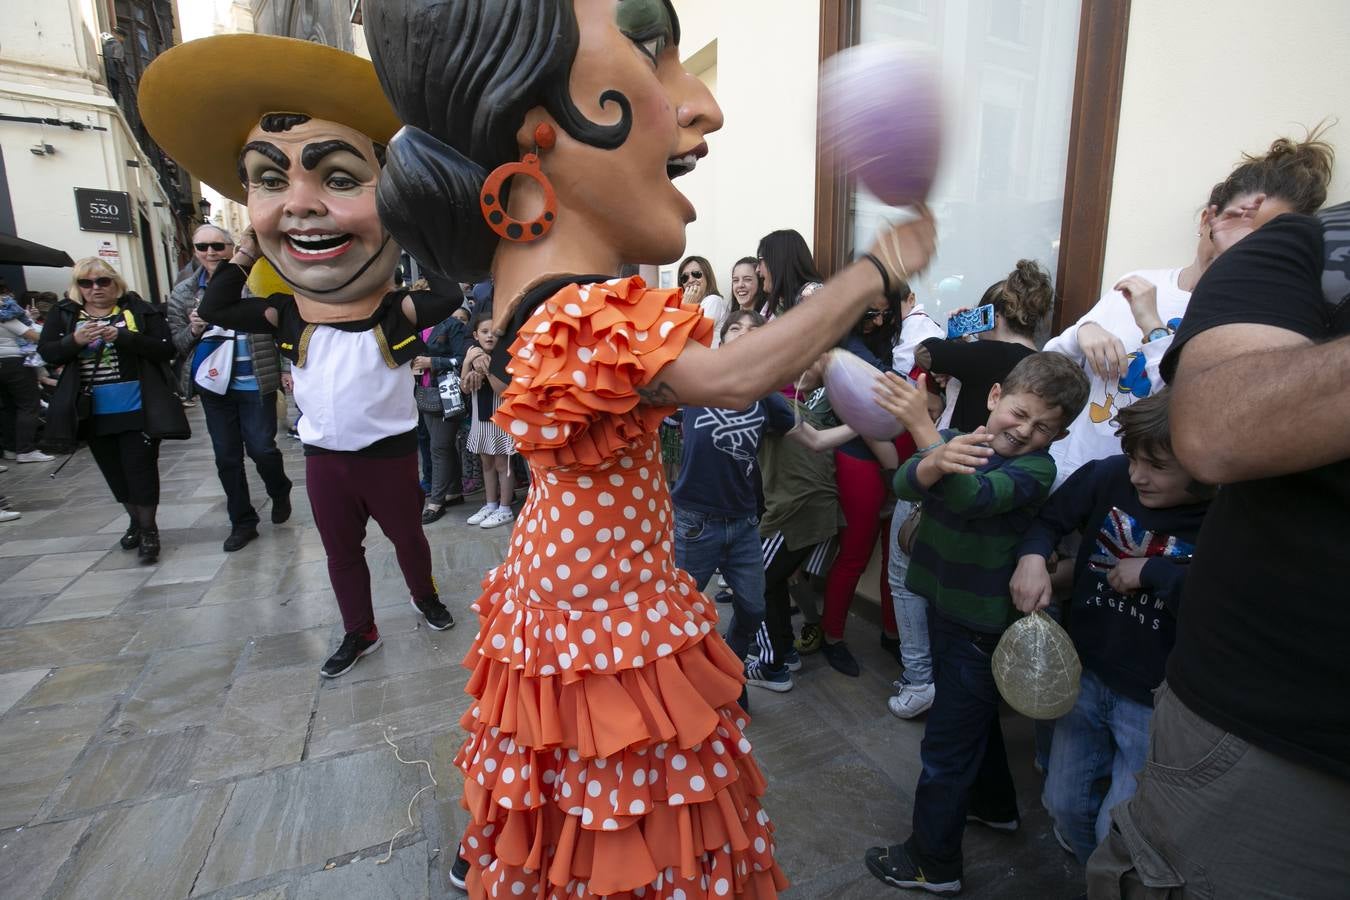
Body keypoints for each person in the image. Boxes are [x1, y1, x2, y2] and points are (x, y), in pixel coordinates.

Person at [364, 0, 935, 894]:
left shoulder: (540, 301)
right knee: (632, 785)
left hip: (564, 579)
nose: (700, 105)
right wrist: (873, 273)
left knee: (575, 768)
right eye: (649, 47)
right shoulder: (586, 308)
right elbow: (734, 375)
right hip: (601, 602)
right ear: (534, 126)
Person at [139, 33, 458, 679]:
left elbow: (449, 292)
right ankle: (358, 631)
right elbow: (222, 306)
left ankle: (424, 597)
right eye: (270, 181)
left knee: (407, 539)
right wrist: (250, 248)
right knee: (342, 555)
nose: (302, 204)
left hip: (390, 456)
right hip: (325, 460)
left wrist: (409, 222)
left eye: (339, 177)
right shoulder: (285, 313)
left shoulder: (394, 311)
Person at [1084, 193, 1350, 894]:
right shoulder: (1307, 249)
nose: (1239, 218)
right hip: (1280, 749)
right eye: (1232, 207)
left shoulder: (1191, 519)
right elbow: (1222, 428)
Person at [863, 352, 1089, 895]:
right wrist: (933, 453)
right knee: (974, 718)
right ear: (994, 397)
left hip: (979, 624)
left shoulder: (1038, 469)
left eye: (1045, 428)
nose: (1026, 431)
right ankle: (994, 806)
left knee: (947, 746)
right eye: (1019, 413)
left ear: (1057, 438)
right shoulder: (963, 437)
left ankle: (933, 862)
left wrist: (923, 431)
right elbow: (906, 487)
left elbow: (966, 497)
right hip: (948, 609)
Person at [1043, 133, 1334, 488]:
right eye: (1238, 224)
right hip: (1064, 471)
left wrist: (1153, 326)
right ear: (1207, 220)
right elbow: (1048, 367)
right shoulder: (1140, 282)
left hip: (1137, 497)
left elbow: (1198, 414)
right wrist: (1081, 332)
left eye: (1265, 239)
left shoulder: (1259, 324)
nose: (1242, 248)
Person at [1009, 389, 1211, 863]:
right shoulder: (1108, 476)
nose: (1137, 475)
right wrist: (1033, 557)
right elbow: (1049, 521)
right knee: (1062, 803)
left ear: (1205, 466)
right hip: (1086, 675)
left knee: (1115, 828)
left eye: (1158, 466)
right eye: (1133, 458)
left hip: (1153, 701)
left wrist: (1154, 572)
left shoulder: (1225, 520)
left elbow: (1223, 607)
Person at [674, 309, 857, 693]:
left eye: (754, 330)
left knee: (754, 608)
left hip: (744, 524)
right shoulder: (692, 382)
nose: (743, 334)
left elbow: (817, 441)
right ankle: (681, 684)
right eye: (735, 328)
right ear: (721, 340)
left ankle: (729, 671)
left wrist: (864, 422)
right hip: (694, 521)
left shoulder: (768, 400)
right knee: (680, 610)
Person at [39, 258, 189, 563]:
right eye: (86, 283)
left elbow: (165, 349)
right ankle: (135, 520)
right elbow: (47, 351)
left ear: (115, 283)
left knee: (141, 471)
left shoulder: (138, 309)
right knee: (115, 474)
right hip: (93, 411)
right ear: (78, 287)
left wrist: (123, 337)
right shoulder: (65, 314)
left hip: (138, 407)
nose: (95, 289)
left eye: (102, 282)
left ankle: (149, 530)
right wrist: (75, 340)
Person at [169, 223, 294, 551]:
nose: (210, 252)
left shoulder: (255, 282)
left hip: (255, 379)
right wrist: (195, 330)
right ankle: (242, 521)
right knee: (226, 457)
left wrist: (285, 368)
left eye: (218, 246)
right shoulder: (184, 292)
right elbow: (178, 343)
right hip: (214, 387)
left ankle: (279, 489)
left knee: (262, 448)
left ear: (232, 248)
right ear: (194, 251)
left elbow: (280, 327)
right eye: (202, 247)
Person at [810, 285, 906, 676]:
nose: (879, 321)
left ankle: (893, 633)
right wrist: (890, 466)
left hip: (901, 461)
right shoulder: (844, 342)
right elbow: (873, 397)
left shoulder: (896, 338)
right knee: (855, 554)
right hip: (864, 459)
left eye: (885, 313)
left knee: (895, 557)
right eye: (870, 313)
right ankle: (833, 636)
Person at [916, 259, 1054, 432]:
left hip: (966, 451)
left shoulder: (988, 353)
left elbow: (924, 352)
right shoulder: (1041, 362)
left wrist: (956, 333)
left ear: (992, 317)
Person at [415, 310, 470, 524]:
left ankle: (436, 502)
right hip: (427, 393)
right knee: (443, 446)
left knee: (439, 447)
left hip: (447, 393)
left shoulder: (452, 325)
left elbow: (462, 359)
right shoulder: (420, 327)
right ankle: (453, 492)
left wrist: (433, 362)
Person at [460, 312, 515, 529]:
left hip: (500, 419)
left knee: (503, 464)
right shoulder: (474, 356)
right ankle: (491, 504)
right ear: (475, 335)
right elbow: (465, 388)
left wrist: (488, 371)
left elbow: (505, 392)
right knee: (487, 463)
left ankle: (505, 508)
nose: (489, 336)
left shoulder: (505, 356)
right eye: (484, 332)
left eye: (493, 332)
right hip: (480, 419)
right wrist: (468, 362)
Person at [0, 282, 52, 463]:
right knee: (29, 405)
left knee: (8, 407)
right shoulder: (5, 315)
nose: (8, 298)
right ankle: (26, 450)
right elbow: (30, 335)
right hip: (15, 362)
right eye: (5, 294)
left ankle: (11, 448)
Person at [755, 229, 824, 318]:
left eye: (760, 260)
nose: (757, 269)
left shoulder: (813, 294)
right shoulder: (779, 301)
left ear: (778, 261)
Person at [678, 254, 729, 343]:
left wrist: (687, 306)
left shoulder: (713, 300)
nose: (690, 280)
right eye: (685, 277)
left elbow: (692, 338)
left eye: (696, 274)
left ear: (707, 277)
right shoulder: (682, 304)